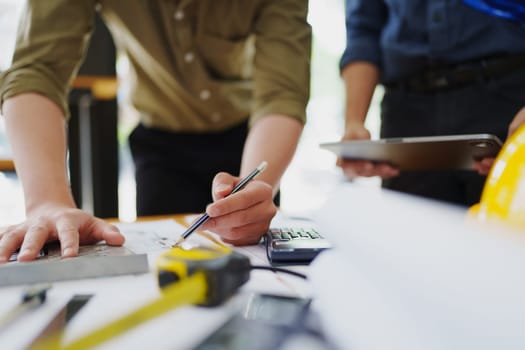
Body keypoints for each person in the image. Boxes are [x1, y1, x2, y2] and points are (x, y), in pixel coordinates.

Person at [0, 1, 311, 262]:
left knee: (251, 254)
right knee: (164, 268)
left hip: (254, 142)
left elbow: (282, 95)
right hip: (160, 146)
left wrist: (258, 192)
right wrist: (47, 202)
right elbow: (38, 70)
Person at [338, 0, 525, 206]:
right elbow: (363, 29)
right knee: (410, 232)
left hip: (508, 99)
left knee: (505, 231)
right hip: (408, 113)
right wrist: (354, 123)